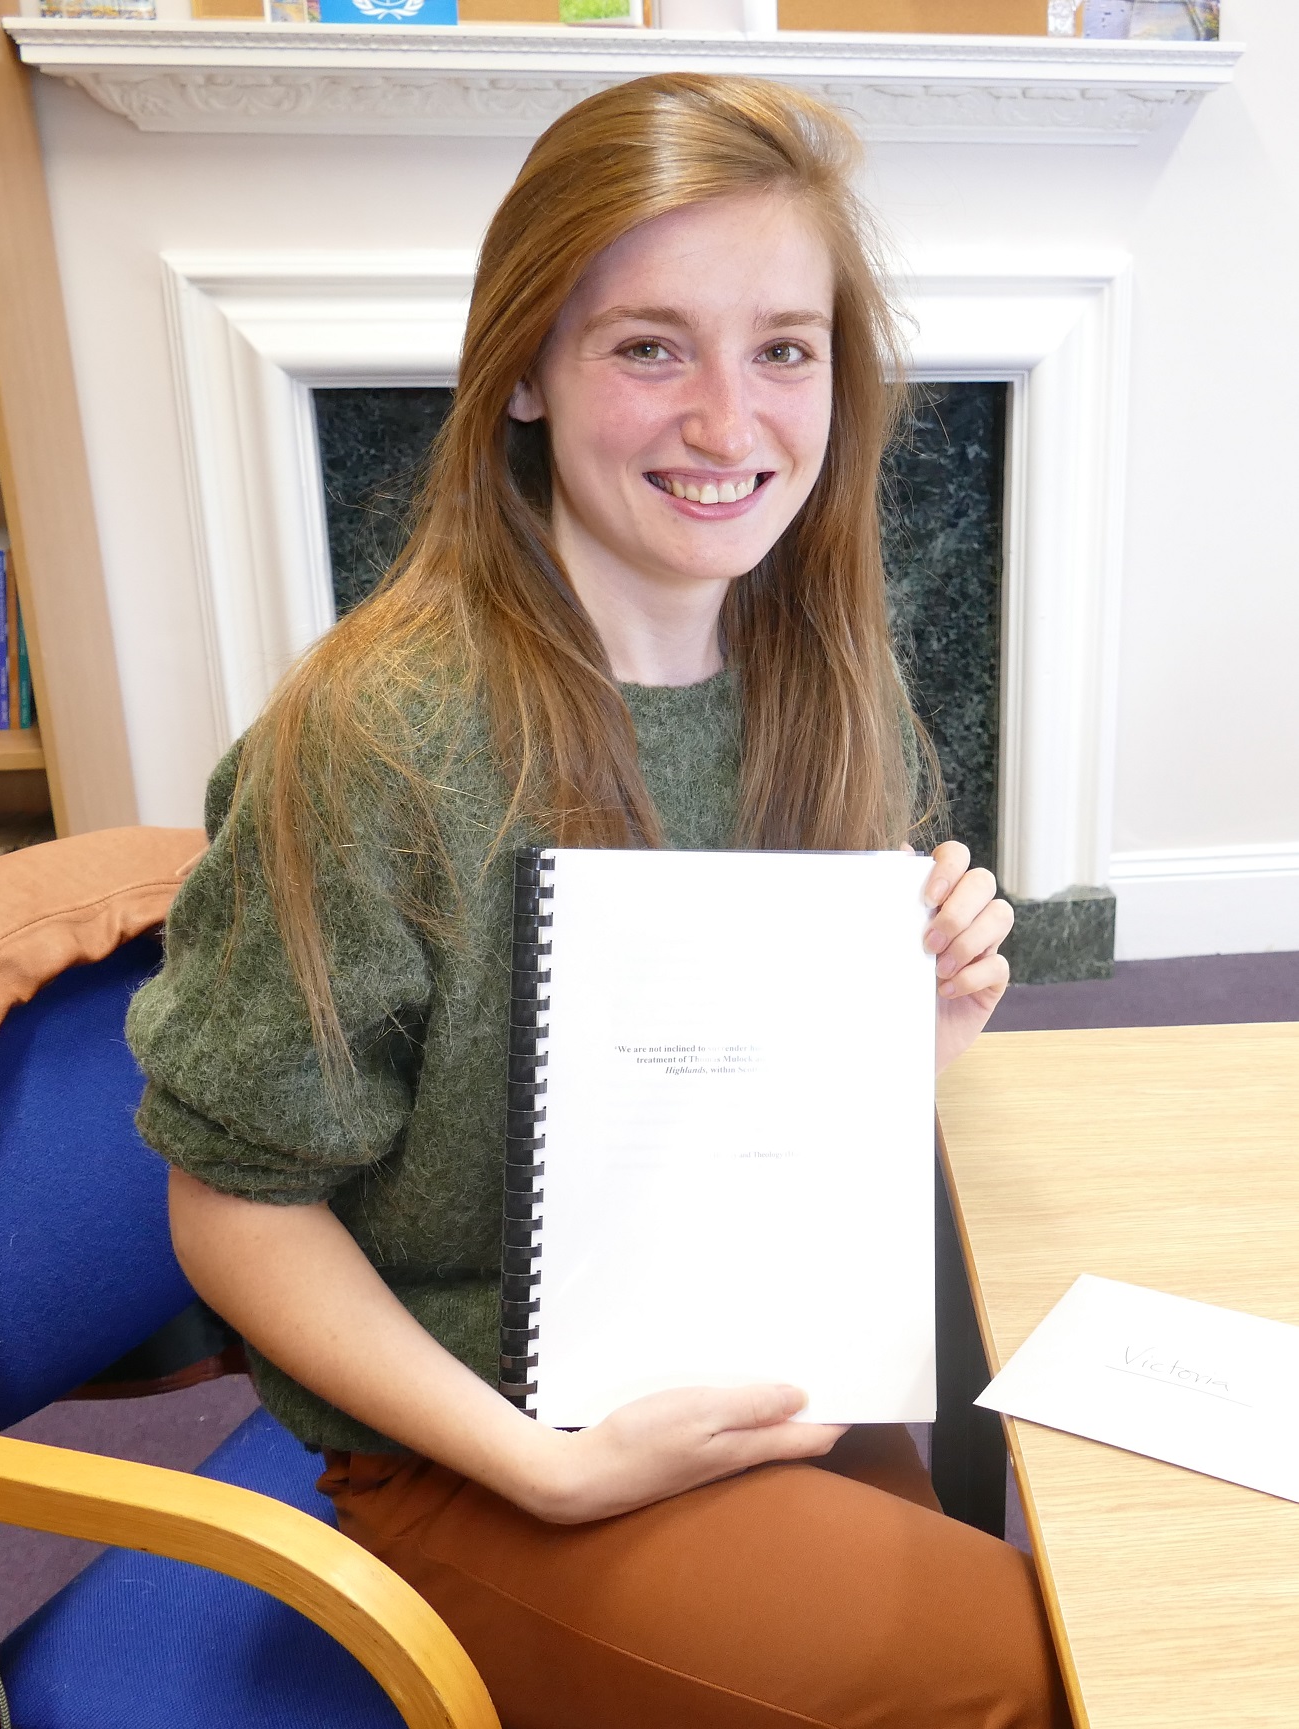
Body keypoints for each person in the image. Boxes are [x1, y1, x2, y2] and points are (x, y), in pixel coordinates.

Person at [128, 73, 1068, 1729]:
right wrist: (545, 1470)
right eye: (649, 346)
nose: (729, 421)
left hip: (727, 1349)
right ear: (526, 379)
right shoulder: (386, 734)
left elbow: (697, 1127)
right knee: (1029, 1669)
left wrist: (899, 1037)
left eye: (783, 347)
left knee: (1107, 1579)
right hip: (475, 1442)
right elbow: (233, 1205)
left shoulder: (806, 667)